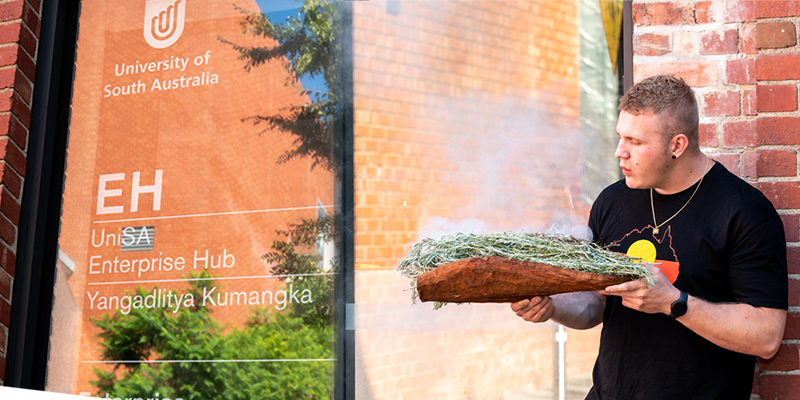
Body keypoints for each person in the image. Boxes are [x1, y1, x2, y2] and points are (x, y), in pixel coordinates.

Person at [511, 75, 788, 399]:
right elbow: (597, 305)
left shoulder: (744, 212)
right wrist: (552, 307)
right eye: (620, 137)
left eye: (635, 142)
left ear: (677, 145)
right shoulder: (611, 201)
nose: (619, 152)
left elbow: (767, 337)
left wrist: (674, 302)